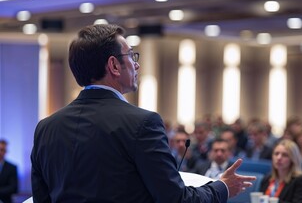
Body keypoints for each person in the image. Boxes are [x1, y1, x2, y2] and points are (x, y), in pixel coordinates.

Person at [31, 24, 255, 203]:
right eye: (131, 56)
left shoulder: (46, 128)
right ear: (114, 66)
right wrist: (223, 187)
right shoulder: (143, 123)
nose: (136, 65)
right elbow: (176, 199)